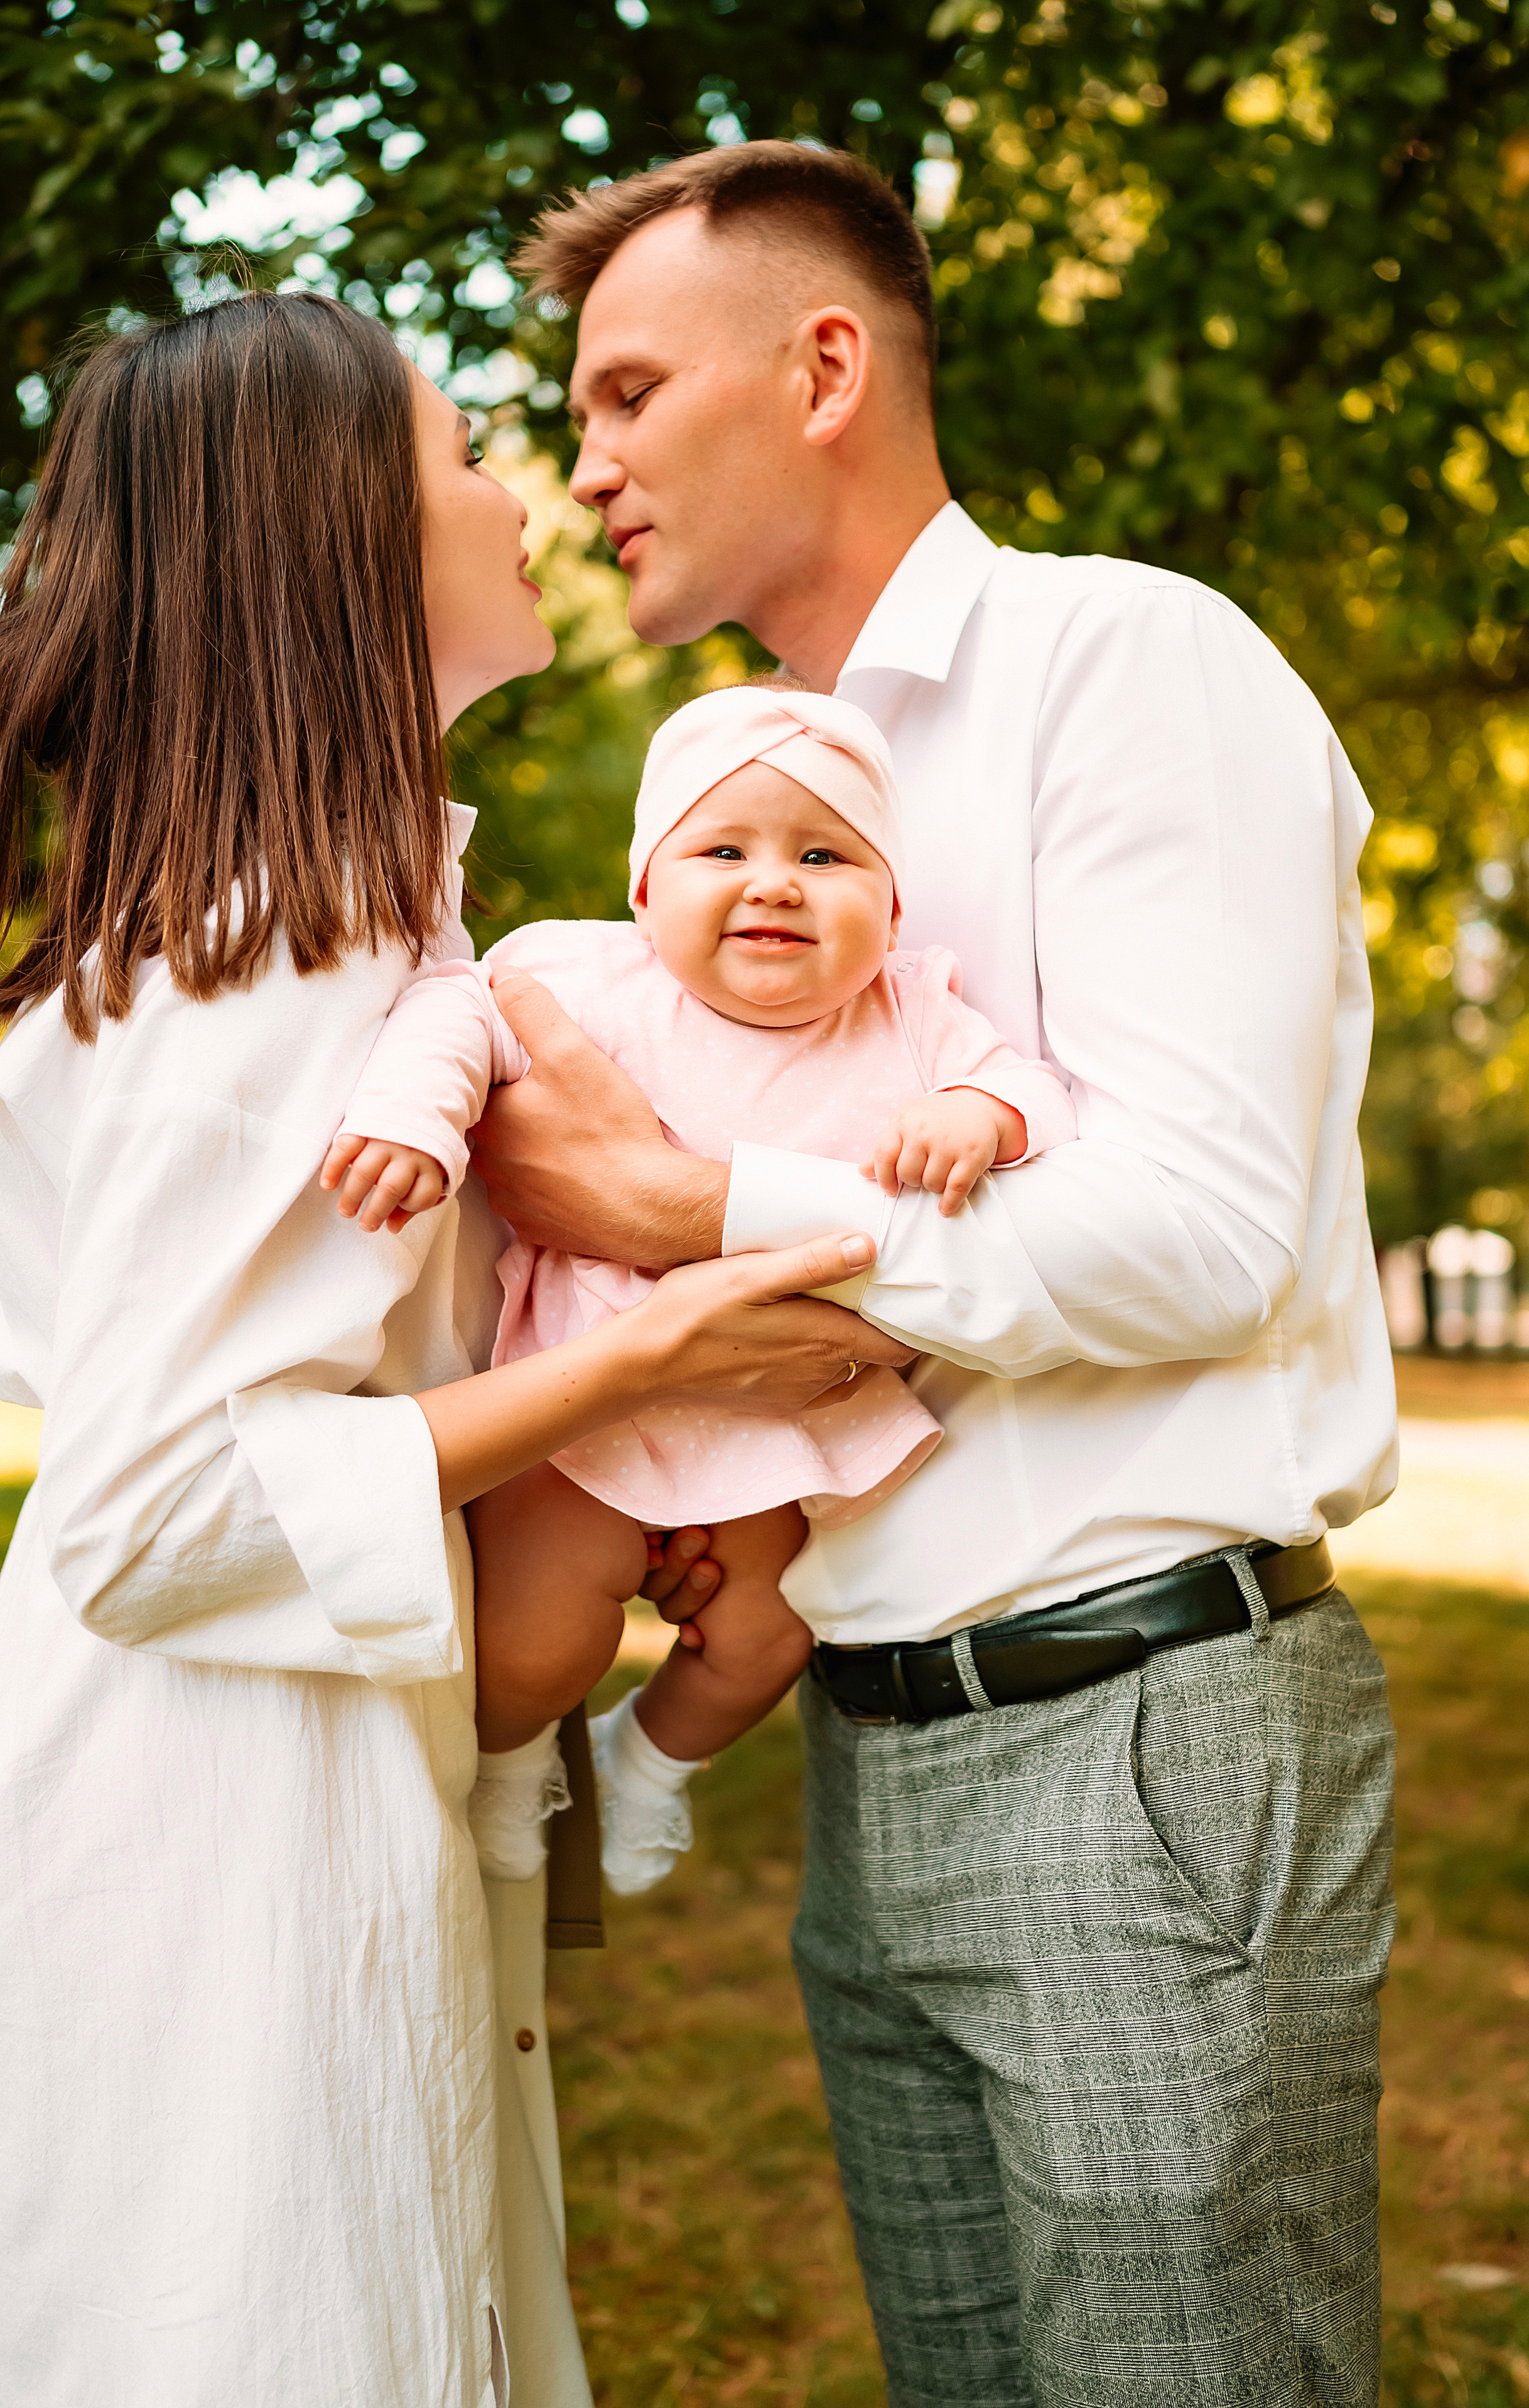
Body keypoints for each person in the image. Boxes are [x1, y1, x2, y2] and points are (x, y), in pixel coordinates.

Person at [472, 142, 1402, 2407]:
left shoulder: (1127, 665)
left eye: (619, 394)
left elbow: (1195, 1234)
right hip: (875, 1749)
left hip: (1133, 1735)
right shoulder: (719, 833)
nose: (580, 468)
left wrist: (688, 1219)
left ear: (822, 366)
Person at [0, 290, 907, 2408]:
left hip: (296, 1789)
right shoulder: (266, 978)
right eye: (461, 451)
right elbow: (148, 1514)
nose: (526, 491)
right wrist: (644, 1361)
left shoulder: (329, 933)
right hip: (215, 1855)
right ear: (345, 543)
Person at [323, 680, 1075, 1892]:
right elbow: (450, 1016)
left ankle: (650, 1763)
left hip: (771, 1412)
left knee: (768, 1635)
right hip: (584, 1393)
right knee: (536, 1633)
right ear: (643, 892)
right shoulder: (591, 981)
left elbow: (1041, 1096)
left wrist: (976, 1114)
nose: (774, 880)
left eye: (824, 854)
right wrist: (415, 1117)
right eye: (723, 848)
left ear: (889, 906)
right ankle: (516, 1759)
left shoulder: (916, 1012)